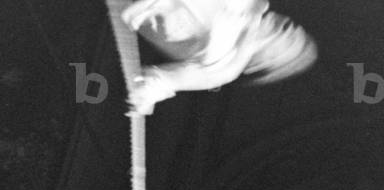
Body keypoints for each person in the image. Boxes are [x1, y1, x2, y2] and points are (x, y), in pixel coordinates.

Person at [120, 0, 318, 115]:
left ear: (267, 61)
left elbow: (163, 81)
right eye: (290, 27)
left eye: (288, 38)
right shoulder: (251, 5)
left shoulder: (225, 66)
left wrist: (145, 96)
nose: (286, 26)